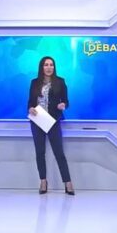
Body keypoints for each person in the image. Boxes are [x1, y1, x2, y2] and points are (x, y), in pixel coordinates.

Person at [28, 56, 75, 195]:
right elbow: (30, 102)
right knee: (40, 152)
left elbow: (66, 101)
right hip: (38, 120)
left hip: (53, 120)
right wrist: (30, 108)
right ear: (41, 67)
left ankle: (68, 182)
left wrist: (63, 105)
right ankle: (43, 181)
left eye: (51, 65)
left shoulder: (60, 81)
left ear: (54, 67)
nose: (49, 67)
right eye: (46, 65)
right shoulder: (34, 82)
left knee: (59, 152)